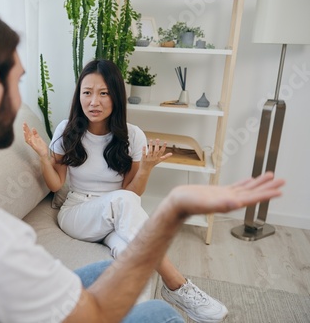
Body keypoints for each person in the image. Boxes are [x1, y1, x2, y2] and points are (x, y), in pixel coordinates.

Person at [0, 0, 284, 323]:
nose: (24, 95)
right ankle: (181, 295)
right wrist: (174, 209)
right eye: (18, 79)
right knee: (161, 312)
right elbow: (98, 314)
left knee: (111, 267)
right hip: (68, 232)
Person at [23, 59, 241, 323]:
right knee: (124, 203)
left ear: (116, 96)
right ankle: (178, 286)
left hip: (118, 216)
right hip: (78, 213)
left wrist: (147, 168)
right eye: (87, 92)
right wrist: (44, 157)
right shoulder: (66, 130)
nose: (94, 101)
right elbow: (56, 185)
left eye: (103, 93)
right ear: (78, 95)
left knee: (132, 255)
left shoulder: (133, 136)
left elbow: (131, 192)